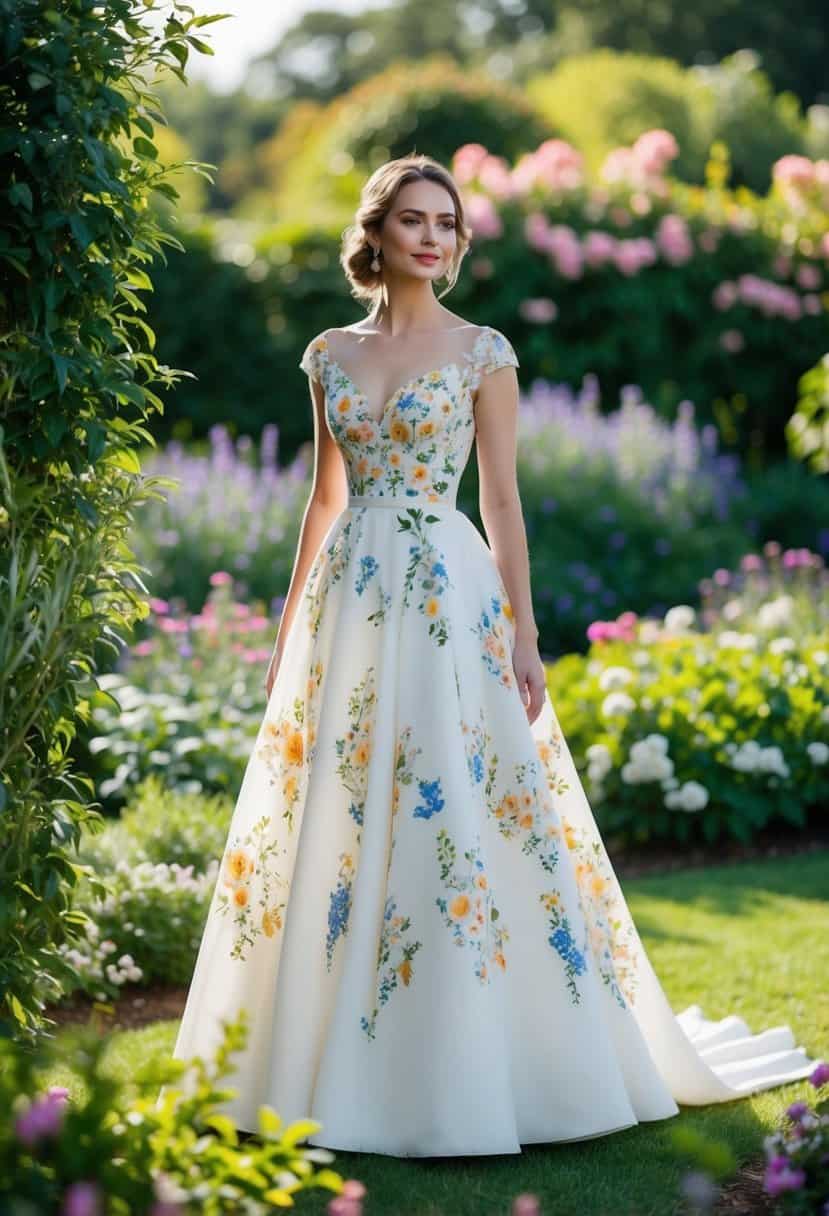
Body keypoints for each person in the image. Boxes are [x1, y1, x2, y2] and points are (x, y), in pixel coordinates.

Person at [167, 153, 816, 1158]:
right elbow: (322, 497)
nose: (432, 237)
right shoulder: (328, 354)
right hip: (348, 603)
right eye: (414, 220)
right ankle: (320, 1056)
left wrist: (524, 630)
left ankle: (480, 1055)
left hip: (445, 595)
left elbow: (501, 499)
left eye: (447, 223)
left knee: (454, 800)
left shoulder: (483, 351)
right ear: (376, 234)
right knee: (339, 809)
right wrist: (290, 619)